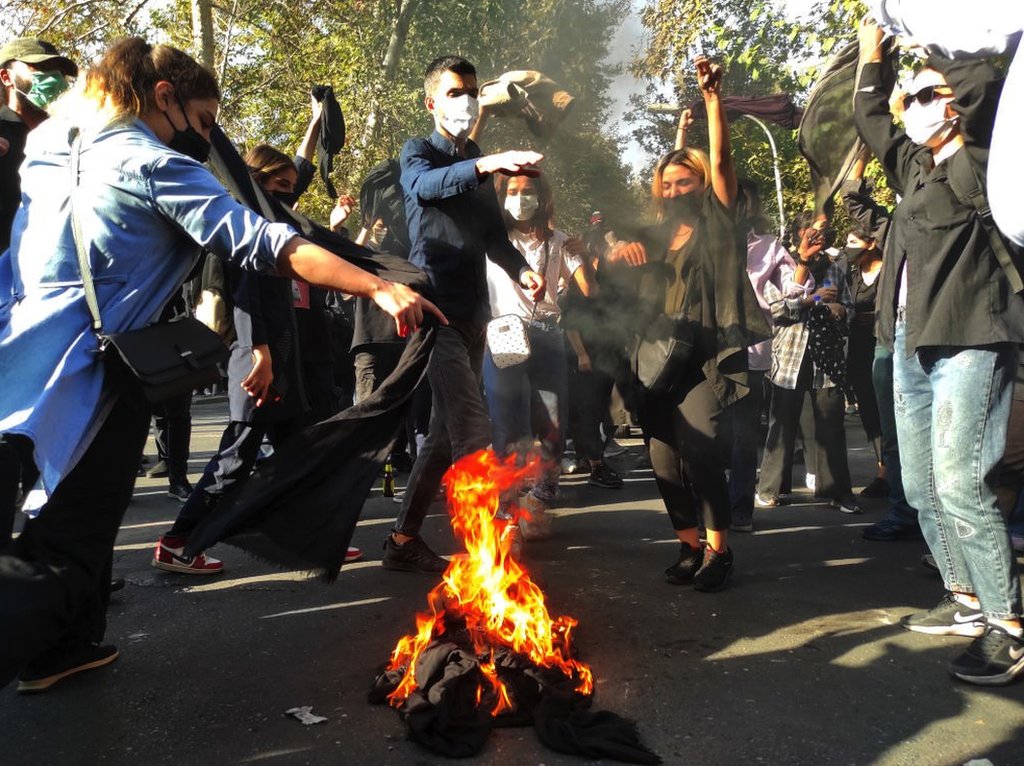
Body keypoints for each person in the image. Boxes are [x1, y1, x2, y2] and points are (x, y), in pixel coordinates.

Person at [0, 38, 443, 693]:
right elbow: (269, 242)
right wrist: (378, 286)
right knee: (63, 553)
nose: (209, 141)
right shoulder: (151, 163)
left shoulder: (55, 154)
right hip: (87, 382)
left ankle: (59, 652)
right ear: (163, 98)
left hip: (17, 370)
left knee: (45, 532)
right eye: (205, 124)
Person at [856, 18, 1024, 685]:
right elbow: (870, 118)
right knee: (922, 484)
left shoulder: (986, 161)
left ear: (954, 103)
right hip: (908, 339)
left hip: (971, 338)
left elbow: (986, 79)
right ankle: (965, 597)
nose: (912, 107)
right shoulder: (915, 168)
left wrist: (935, 49)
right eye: (912, 98)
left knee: (961, 482)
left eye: (925, 96)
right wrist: (874, 60)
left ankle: (1007, 626)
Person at [153, 142, 363, 573]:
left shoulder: (272, 227)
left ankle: (313, 539)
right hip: (257, 366)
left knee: (298, 460)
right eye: (280, 186)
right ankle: (176, 541)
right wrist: (260, 356)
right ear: (258, 184)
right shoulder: (247, 230)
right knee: (234, 462)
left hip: (279, 366)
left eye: (291, 187)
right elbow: (245, 299)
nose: (289, 194)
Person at [382, 55, 546, 575]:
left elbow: (494, 238)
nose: (467, 100)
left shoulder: (476, 158)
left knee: (443, 434)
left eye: (471, 90)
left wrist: (521, 270)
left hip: (475, 314)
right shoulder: (418, 154)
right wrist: (485, 164)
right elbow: (425, 188)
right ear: (432, 102)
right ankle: (488, 556)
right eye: (455, 92)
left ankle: (404, 537)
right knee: (474, 424)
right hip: (435, 311)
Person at [608, 58, 766, 592]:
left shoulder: (719, 224)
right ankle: (688, 545)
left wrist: (713, 100)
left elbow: (721, 159)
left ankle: (718, 551)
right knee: (662, 458)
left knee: (700, 453)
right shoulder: (653, 236)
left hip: (702, 358)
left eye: (685, 181)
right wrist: (618, 251)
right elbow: (612, 267)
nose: (675, 191)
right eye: (667, 183)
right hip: (654, 359)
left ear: (703, 184)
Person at [483, 171, 600, 538]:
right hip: (503, 335)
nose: (521, 199)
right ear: (502, 197)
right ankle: (505, 513)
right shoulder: (491, 240)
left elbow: (590, 292)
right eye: (513, 192)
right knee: (506, 427)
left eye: (528, 191)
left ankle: (539, 499)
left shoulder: (561, 241)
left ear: (541, 196)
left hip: (548, 335)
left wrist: (587, 257)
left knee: (552, 425)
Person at [0, 37, 77, 548]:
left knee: (53, 453)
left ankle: (54, 570)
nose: (52, 79)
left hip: (54, 314)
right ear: (8, 75)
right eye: (40, 69)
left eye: (60, 72)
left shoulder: (66, 138)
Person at [839, 158, 922, 542]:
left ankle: (939, 519)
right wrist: (861, 149)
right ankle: (903, 510)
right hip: (894, 340)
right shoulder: (894, 228)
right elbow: (853, 197)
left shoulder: (971, 203)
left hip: (946, 337)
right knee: (892, 432)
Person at [755, 211, 859, 514]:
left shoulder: (835, 268)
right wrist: (811, 299)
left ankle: (838, 491)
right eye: (812, 233)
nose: (818, 238)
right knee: (781, 425)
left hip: (826, 358)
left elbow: (849, 310)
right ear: (798, 236)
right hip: (789, 356)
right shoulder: (783, 266)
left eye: (822, 233)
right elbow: (776, 310)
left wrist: (838, 308)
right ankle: (771, 488)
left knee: (831, 425)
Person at [728, 179, 803, 532]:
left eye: (746, 201)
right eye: (733, 199)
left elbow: (795, 290)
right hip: (708, 351)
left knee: (743, 438)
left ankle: (740, 511)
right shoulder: (701, 239)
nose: (741, 207)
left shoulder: (769, 247)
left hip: (752, 354)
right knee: (706, 436)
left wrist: (804, 258)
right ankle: (706, 511)